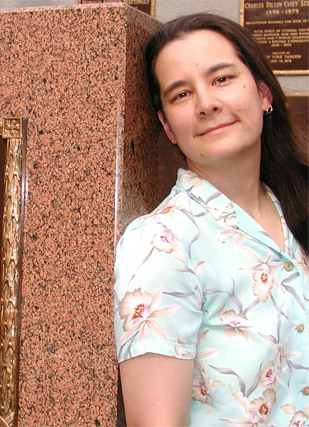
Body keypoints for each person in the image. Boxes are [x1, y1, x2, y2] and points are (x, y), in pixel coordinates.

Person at [113, 13, 308, 426]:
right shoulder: (163, 242)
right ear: (167, 127)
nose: (207, 104)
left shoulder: (295, 209)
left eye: (221, 79)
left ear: (263, 92)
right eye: (181, 94)